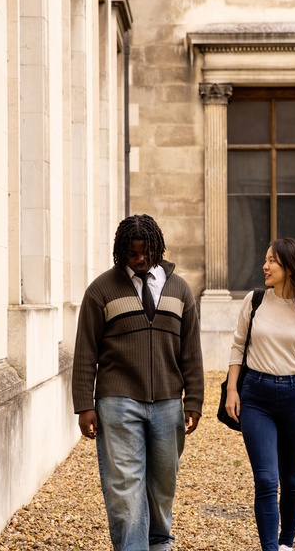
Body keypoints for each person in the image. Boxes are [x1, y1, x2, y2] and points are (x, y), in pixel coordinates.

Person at [72, 214, 204, 551]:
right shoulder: (101, 290)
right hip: (117, 402)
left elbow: (191, 349)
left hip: (168, 404)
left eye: (147, 253)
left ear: (158, 249)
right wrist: (84, 406)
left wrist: (194, 401)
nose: (141, 260)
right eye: (133, 254)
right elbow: (86, 351)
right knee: (126, 492)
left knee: (162, 488)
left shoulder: (179, 289)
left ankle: (159, 545)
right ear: (120, 252)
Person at [225, 237, 295, 551]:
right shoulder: (255, 301)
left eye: (271, 260)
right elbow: (237, 346)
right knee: (265, 479)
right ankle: (270, 548)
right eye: (265, 259)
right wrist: (232, 389)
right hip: (256, 397)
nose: (265, 266)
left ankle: (286, 544)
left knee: (290, 479)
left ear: (290, 266)